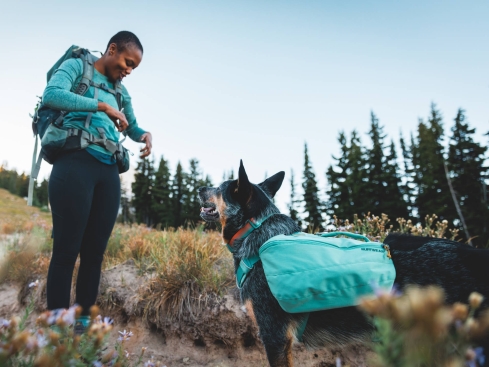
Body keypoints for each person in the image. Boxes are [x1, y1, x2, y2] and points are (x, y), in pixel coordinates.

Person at [42, 31, 152, 333]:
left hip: (108, 170)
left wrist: (144, 135)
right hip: (74, 161)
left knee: (94, 256)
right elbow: (53, 93)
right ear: (112, 49)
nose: (128, 71)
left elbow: (131, 124)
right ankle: (56, 333)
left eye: (134, 68)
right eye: (128, 62)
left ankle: (81, 332)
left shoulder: (121, 91)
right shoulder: (78, 65)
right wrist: (101, 106)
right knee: (66, 252)